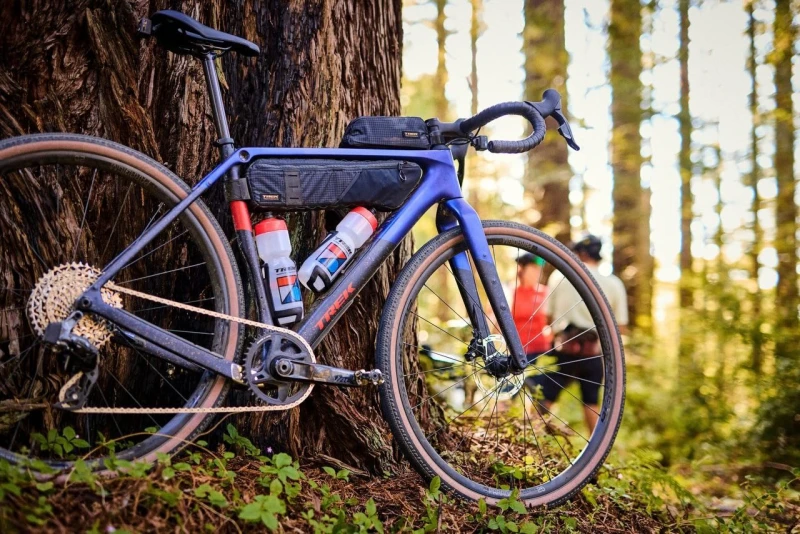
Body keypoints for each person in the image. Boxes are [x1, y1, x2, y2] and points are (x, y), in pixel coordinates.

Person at [529, 235, 628, 433]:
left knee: (545, 397)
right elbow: (621, 327)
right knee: (591, 402)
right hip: (593, 352)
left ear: (580, 253)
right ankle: (598, 446)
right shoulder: (614, 283)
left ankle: (528, 437)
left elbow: (548, 316)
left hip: (563, 349)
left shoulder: (559, 276)